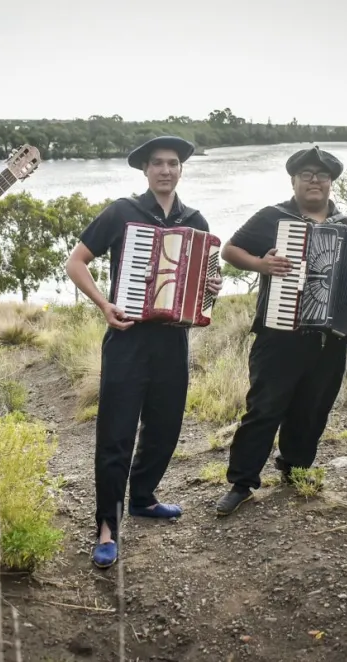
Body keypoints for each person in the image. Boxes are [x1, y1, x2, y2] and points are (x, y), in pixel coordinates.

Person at [64, 135, 222, 568]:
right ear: (145, 170)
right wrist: (104, 304)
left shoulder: (196, 220)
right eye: (158, 163)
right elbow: (76, 262)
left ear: (180, 169)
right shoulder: (122, 212)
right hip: (128, 339)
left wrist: (212, 289)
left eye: (173, 163)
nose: (166, 170)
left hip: (173, 340)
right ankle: (106, 527)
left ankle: (144, 497)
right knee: (115, 434)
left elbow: (208, 285)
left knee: (165, 428)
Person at [214, 146, 347, 516]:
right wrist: (260, 264)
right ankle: (242, 482)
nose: (315, 181)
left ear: (331, 182)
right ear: (294, 180)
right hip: (278, 334)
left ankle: (294, 465)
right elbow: (230, 251)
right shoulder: (273, 217)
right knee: (264, 408)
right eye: (307, 175)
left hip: (329, 340)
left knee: (313, 406)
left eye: (322, 175)